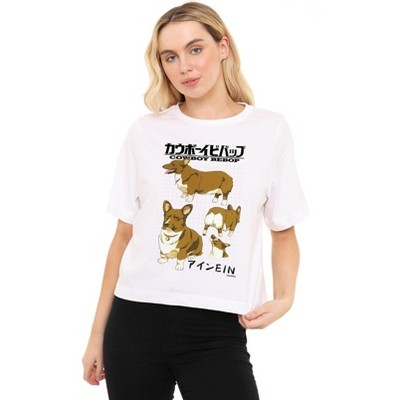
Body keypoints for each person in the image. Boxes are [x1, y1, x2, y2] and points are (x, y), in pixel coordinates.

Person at [82, 2, 308, 399]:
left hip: (216, 328)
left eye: (195, 49)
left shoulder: (268, 129)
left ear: (223, 47)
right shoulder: (145, 132)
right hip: (134, 320)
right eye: (170, 56)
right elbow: (123, 238)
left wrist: (285, 298)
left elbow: (283, 229)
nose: (184, 66)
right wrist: (96, 335)